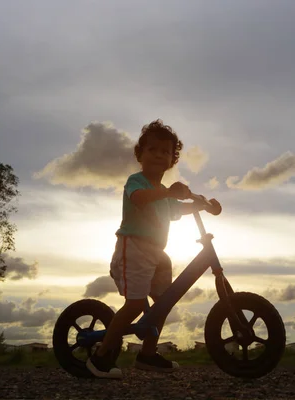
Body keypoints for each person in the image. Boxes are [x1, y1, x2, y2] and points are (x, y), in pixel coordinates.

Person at [86, 119, 222, 379]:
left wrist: (204, 205)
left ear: (172, 159)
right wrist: (169, 193)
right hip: (133, 248)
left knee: (163, 303)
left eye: (165, 151)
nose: (159, 154)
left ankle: (147, 355)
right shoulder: (137, 182)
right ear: (141, 154)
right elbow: (139, 200)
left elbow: (176, 210)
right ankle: (101, 357)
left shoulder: (163, 192)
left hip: (158, 254)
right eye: (153, 149)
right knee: (136, 304)